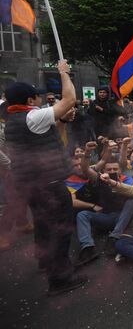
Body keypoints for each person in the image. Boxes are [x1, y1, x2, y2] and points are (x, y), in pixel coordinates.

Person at [4, 60, 87, 295]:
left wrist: (61, 120)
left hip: (34, 186)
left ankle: (47, 263)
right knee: (60, 229)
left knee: (43, 226)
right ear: (30, 101)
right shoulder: (32, 117)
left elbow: (51, 140)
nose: (41, 99)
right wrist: (64, 73)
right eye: (37, 97)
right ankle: (60, 278)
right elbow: (69, 99)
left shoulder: (16, 120)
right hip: (49, 185)